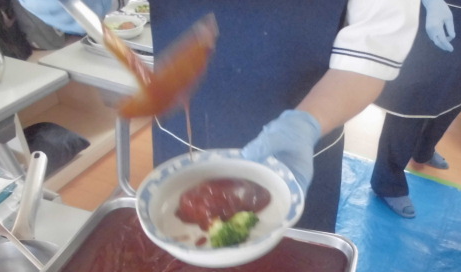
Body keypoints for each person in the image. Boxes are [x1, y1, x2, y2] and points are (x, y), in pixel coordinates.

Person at [150, 1, 420, 233]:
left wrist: (307, 123)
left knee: (293, 265)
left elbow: (374, 47)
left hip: (300, 146)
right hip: (182, 135)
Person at [371, 0, 461, 218]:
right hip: (438, 9)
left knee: (455, 92)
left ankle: (423, 149)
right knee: (413, 100)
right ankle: (388, 183)